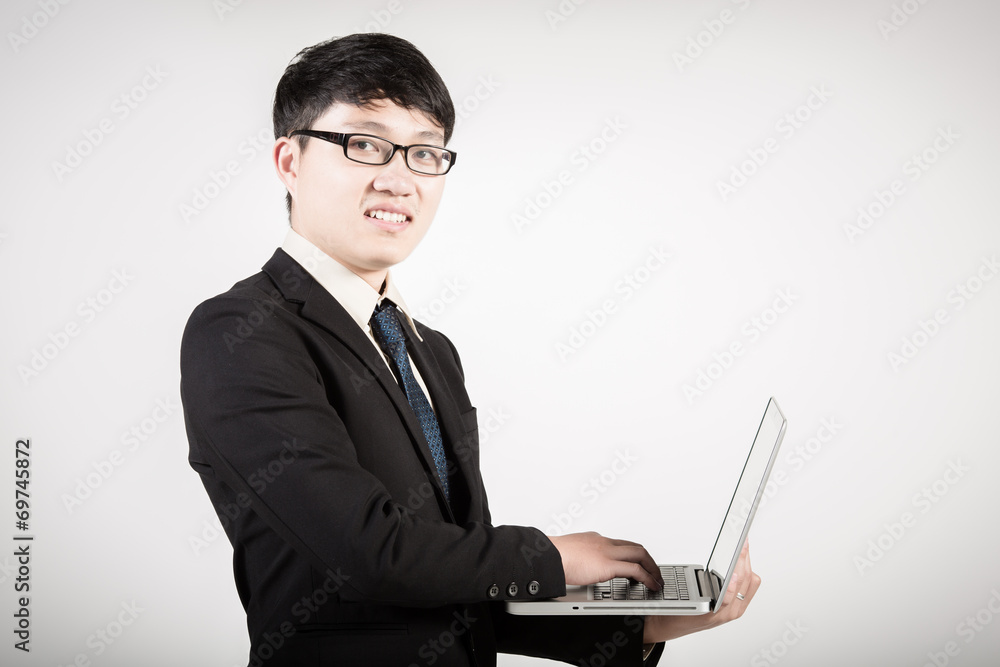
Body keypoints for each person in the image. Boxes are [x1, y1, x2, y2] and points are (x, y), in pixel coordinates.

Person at [180, 33, 760, 667]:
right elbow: (368, 554)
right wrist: (550, 557)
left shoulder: (430, 350)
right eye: (365, 144)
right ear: (289, 161)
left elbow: (454, 585)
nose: (399, 179)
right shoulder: (240, 333)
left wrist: (639, 626)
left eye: (424, 152)